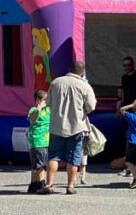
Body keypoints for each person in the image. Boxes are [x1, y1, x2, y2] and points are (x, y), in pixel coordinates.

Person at [39, 60, 96, 196]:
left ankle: (49, 184)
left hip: (56, 126)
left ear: (70, 69)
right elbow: (91, 106)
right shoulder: (84, 86)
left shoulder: (56, 82)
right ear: (81, 72)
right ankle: (70, 185)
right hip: (76, 126)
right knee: (74, 157)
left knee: (53, 156)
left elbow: (48, 103)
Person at [116, 55, 136, 176]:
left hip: (135, 109)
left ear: (132, 65)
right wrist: (121, 106)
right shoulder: (124, 78)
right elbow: (123, 93)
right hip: (126, 109)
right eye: (124, 65)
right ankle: (129, 164)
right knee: (126, 135)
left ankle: (134, 164)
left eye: (128, 65)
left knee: (135, 135)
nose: (126, 67)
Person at [26, 90, 50, 194]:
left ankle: (33, 184)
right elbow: (31, 120)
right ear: (38, 100)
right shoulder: (33, 110)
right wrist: (38, 109)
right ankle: (41, 183)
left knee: (36, 164)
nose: (47, 102)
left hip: (46, 140)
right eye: (45, 100)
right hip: (37, 140)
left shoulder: (49, 110)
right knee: (40, 164)